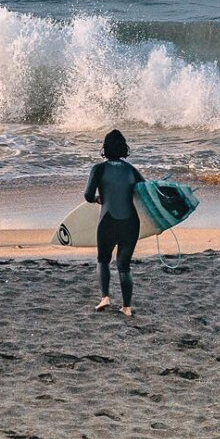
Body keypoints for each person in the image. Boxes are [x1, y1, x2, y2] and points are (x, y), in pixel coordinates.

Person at [84, 130, 145, 317]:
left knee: (103, 259)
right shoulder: (132, 170)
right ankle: (127, 307)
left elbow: (87, 196)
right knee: (124, 265)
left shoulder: (98, 169)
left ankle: (105, 298)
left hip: (108, 221)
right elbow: (145, 192)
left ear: (105, 149)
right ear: (123, 148)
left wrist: (97, 199)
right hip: (131, 223)